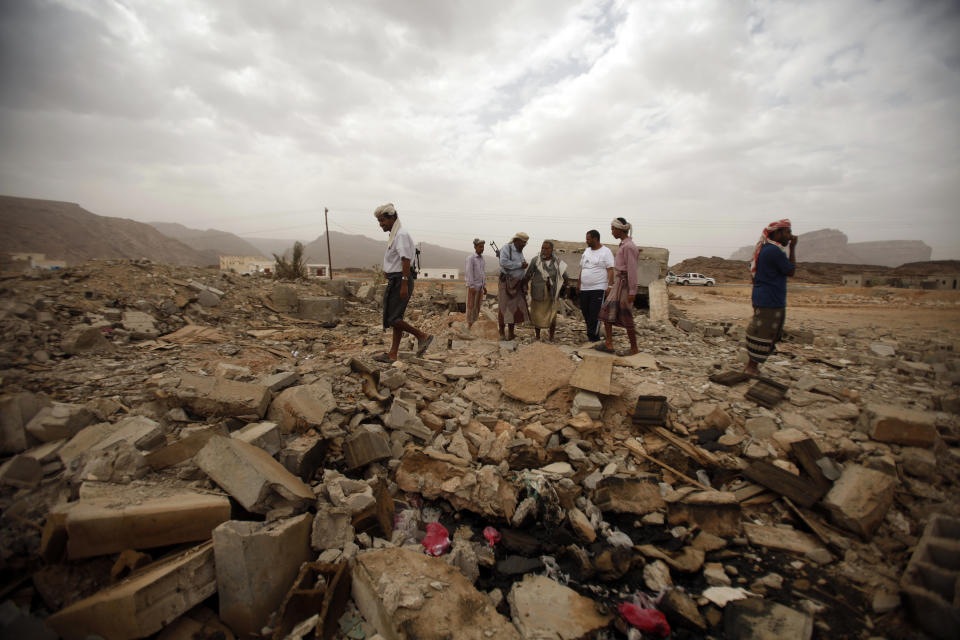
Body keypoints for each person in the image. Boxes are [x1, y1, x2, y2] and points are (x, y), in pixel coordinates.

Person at [372, 203, 433, 362]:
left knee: (393, 319)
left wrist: (404, 284)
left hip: (401, 279)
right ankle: (393, 354)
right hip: (397, 279)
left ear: (392, 218)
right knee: (396, 317)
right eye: (379, 221)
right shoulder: (395, 234)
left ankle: (423, 336)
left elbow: (406, 260)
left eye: (382, 221)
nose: (381, 224)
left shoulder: (401, 234)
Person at [745, 219, 797, 375]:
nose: (790, 236)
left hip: (766, 297)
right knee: (763, 332)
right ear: (777, 232)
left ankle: (753, 366)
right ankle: (751, 367)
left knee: (765, 331)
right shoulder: (773, 251)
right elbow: (791, 271)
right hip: (770, 299)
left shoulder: (766, 249)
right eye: (787, 232)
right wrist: (793, 248)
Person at [597, 217, 639, 355]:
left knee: (626, 316)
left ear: (619, 230)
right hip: (618, 284)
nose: (612, 232)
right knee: (606, 312)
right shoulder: (623, 245)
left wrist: (632, 291)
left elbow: (632, 269)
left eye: (613, 229)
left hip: (625, 286)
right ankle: (609, 343)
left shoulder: (629, 247)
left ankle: (634, 348)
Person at [525, 240, 569, 341]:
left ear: (552, 250)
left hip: (552, 293)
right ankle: (537, 336)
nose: (544, 250)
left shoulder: (558, 262)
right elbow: (528, 274)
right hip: (538, 292)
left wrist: (567, 288)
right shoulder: (535, 260)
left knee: (552, 314)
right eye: (542, 248)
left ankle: (551, 337)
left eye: (546, 248)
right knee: (537, 313)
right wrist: (524, 287)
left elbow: (565, 276)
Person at [577, 230, 615, 342]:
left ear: (595, 239)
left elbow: (611, 270)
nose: (586, 241)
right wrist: (579, 283)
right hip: (584, 288)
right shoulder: (586, 251)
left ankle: (593, 337)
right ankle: (592, 334)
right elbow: (582, 268)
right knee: (586, 312)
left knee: (595, 313)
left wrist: (610, 286)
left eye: (588, 239)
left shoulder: (606, 252)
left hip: (598, 288)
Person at [498, 232, 530, 340]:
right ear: (516, 240)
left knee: (514, 309)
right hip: (506, 283)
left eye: (525, 243)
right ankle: (502, 332)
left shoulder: (520, 252)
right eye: (523, 243)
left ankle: (511, 333)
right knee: (504, 307)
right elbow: (503, 262)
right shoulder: (507, 248)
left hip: (517, 284)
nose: (524, 245)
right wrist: (520, 265)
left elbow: (521, 267)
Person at [465, 238, 486, 328]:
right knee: (471, 307)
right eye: (480, 247)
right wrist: (471, 286)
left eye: (483, 247)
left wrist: (484, 286)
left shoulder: (482, 259)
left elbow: (482, 273)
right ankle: (469, 326)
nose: (482, 248)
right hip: (473, 287)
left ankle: (474, 325)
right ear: (475, 247)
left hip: (480, 287)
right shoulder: (471, 258)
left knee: (477, 307)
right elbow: (469, 272)